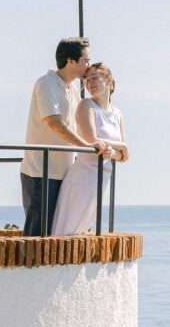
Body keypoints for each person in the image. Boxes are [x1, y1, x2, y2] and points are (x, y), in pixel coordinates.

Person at [19, 37, 111, 236]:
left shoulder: (73, 90)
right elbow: (54, 122)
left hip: (66, 172)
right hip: (41, 172)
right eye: (86, 60)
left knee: (61, 232)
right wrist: (86, 145)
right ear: (71, 61)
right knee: (38, 234)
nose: (88, 66)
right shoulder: (46, 84)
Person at [52, 62, 129, 236]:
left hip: (102, 177)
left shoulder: (117, 113)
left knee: (80, 229)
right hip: (84, 176)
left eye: (94, 77)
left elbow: (124, 156)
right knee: (66, 231)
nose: (90, 83)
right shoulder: (86, 105)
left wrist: (113, 152)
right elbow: (91, 140)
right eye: (87, 79)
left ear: (108, 79)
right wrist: (122, 146)